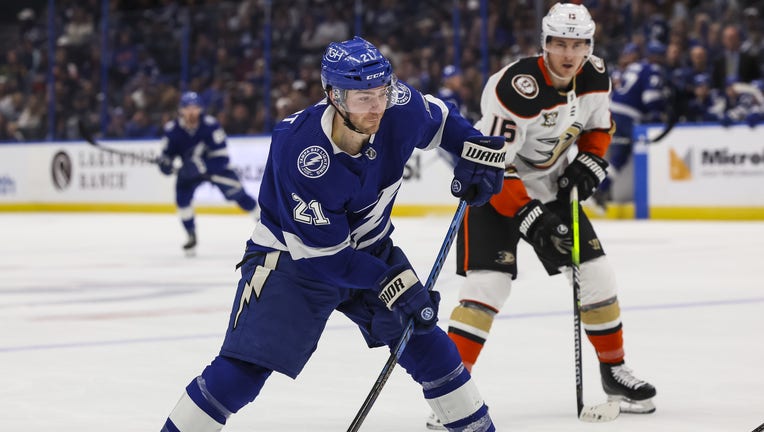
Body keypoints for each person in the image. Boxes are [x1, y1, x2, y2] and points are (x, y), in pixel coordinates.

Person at [160, 36, 507, 432]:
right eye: (363, 98)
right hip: (293, 263)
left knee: (431, 348)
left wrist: (477, 153)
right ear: (334, 96)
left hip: (369, 249)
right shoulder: (301, 152)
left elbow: (442, 120)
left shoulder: (399, 105)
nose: (377, 106)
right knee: (242, 372)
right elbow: (325, 257)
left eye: (382, 91)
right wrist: (392, 282)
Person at [429, 3, 657, 429]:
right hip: (493, 190)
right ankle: (450, 391)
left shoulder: (594, 76)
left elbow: (598, 127)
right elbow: (494, 165)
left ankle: (614, 372)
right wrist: (531, 218)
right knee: (487, 288)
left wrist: (590, 162)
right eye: (560, 43)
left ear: (589, 46)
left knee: (597, 275)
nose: (569, 54)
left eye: (578, 44)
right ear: (544, 44)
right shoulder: (514, 88)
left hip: (551, 187)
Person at [158, 91, 258, 256]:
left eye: (195, 108)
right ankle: (191, 235)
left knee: (239, 194)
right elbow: (167, 155)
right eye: (187, 108)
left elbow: (222, 158)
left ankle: (265, 222)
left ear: (200, 109)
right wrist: (165, 164)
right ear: (181, 110)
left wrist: (202, 166)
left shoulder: (211, 126)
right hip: (189, 172)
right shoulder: (172, 129)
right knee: (182, 200)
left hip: (215, 169)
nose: (191, 112)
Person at [593, 39, 670, 209]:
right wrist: (658, 116)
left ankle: (602, 189)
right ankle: (601, 189)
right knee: (620, 155)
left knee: (617, 155)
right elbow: (651, 99)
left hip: (610, 110)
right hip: (627, 116)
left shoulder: (636, 66)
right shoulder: (653, 70)